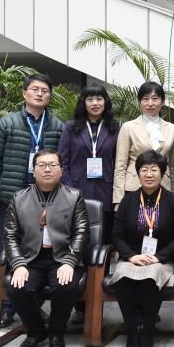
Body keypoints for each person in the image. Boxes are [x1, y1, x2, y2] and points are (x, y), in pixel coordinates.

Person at [0, 73, 64, 328]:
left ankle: (32, 305)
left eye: (45, 91)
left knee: (41, 251)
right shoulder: (6, 123)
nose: (40, 94)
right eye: (35, 89)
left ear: (49, 96)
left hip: (46, 199)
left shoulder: (57, 126)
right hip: (12, 197)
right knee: (8, 250)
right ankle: (6, 307)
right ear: (24, 93)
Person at [3, 149, 89, 347]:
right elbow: (9, 235)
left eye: (52, 165)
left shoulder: (74, 196)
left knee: (65, 286)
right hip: (31, 258)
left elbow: (82, 232)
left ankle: (57, 332)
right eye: (42, 165)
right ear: (33, 170)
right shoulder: (19, 198)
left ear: (61, 170)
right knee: (17, 287)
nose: (47, 169)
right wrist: (18, 264)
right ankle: (36, 332)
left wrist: (70, 261)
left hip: (62, 257)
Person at [109, 150, 174, 347]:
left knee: (150, 278)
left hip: (162, 260)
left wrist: (158, 257)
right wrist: (131, 256)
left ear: (162, 173)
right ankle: (132, 330)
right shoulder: (128, 201)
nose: (149, 174)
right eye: (144, 170)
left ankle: (147, 332)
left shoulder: (173, 201)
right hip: (133, 258)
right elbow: (116, 236)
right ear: (138, 174)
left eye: (154, 169)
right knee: (122, 278)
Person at [57, 83, 121, 326]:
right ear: (83, 103)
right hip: (77, 194)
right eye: (90, 99)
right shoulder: (71, 127)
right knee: (79, 249)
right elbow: (62, 160)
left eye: (99, 99)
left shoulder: (115, 127)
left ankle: (97, 301)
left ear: (106, 102)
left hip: (106, 195)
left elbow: (119, 161)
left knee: (102, 250)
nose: (95, 103)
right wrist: (70, 188)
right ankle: (80, 305)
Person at [114, 81, 174, 202]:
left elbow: (172, 166)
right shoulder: (128, 127)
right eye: (145, 99)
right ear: (139, 102)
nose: (150, 103)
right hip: (134, 186)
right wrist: (118, 199)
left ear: (162, 101)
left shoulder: (172, 129)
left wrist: (173, 192)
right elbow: (120, 166)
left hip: (164, 186)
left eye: (155, 99)